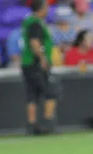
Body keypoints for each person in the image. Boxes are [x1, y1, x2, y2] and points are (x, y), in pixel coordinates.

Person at [21, 0, 58, 135]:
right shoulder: (35, 23)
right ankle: (48, 124)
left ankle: (32, 125)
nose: (48, 10)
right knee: (51, 92)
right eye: (46, 7)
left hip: (28, 63)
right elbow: (35, 43)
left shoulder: (29, 21)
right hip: (35, 63)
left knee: (33, 95)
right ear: (41, 8)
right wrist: (43, 59)